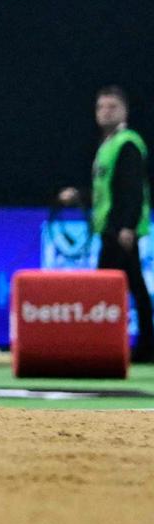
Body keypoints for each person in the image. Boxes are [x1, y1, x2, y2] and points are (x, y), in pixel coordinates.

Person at [59, 85, 153, 362]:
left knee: (107, 288)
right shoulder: (107, 146)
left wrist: (128, 226)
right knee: (132, 285)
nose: (105, 112)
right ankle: (142, 345)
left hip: (119, 230)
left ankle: (105, 346)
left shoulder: (127, 143)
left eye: (112, 106)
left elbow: (133, 189)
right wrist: (79, 195)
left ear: (124, 111)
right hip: (110, 227)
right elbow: (106, 192)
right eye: (101, 107)